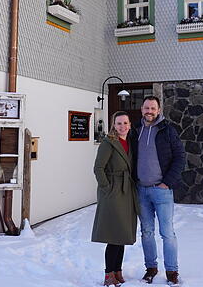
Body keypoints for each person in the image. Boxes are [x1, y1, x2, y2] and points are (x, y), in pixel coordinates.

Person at [132, 96, 186, 286]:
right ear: (141, 109)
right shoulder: (135, 131)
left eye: (153, 108)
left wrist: (167, 182)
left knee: (167, 233)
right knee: (146, 232)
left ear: (159, 110)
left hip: (161, 191)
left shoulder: (167, 131)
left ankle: (172, 271)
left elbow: (180, 157)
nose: (149, 111)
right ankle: (151, 268)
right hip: (141, 191)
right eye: (146, 107)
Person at [92, 111, 140, 286]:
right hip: (113, 192)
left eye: (125, 123)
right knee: (114, 236)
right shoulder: (108, 143)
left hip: (126, 191)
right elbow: (98, 168)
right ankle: (108, 274)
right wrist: (107, 188)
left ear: (129, 124)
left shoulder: (130, 141)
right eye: (119, 123)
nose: (123, 126)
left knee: (122, 234)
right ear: (113, 125)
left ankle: (118, 270)